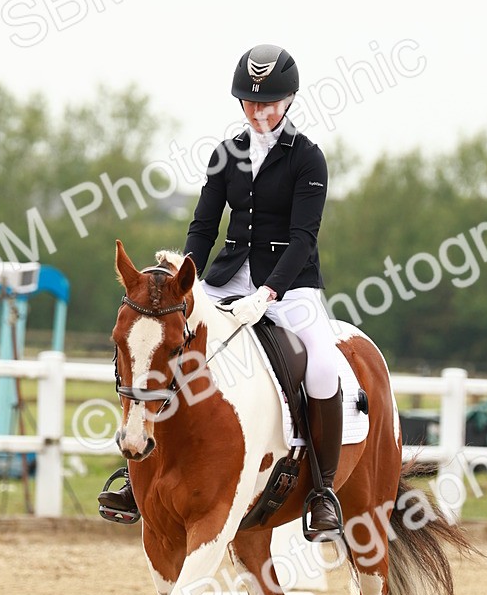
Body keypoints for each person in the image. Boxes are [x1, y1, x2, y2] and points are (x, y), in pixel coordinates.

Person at [99, 43, 343, 536]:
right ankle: (136, 470)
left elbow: (303, 239)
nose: (259, 111)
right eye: (251, 102)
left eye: (269, 102)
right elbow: (205, 226)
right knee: (171, 350)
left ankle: (323, 489)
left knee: (321, 365)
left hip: (291, 286)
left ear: (289, 99)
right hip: (226, 276)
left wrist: (269, 293)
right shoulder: (225, 154)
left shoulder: (308, 159)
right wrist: (180, 275)